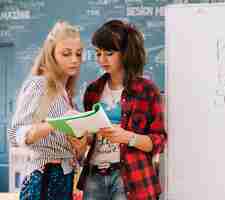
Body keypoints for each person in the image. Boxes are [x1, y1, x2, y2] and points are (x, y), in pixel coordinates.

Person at [79, 19, 167, 200]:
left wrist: (128, 137)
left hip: (130, 176)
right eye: (98, 53)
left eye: (109, 53)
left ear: (126, 53)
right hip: (94, 175)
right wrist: (80, 135)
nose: (102, 59)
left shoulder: (146, 90)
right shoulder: (93, 90)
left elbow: (159, 141)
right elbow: (92, 138)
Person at [8, 20, 86, 200]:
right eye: (66, 54)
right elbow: (15, 133)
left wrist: (80, 143)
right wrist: (55, 123)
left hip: (64, 177)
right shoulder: (39, 85)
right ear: (51, 54)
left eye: (78, 54)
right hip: (44, 176)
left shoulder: (65, 93)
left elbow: (71, 147)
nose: (74, 59)